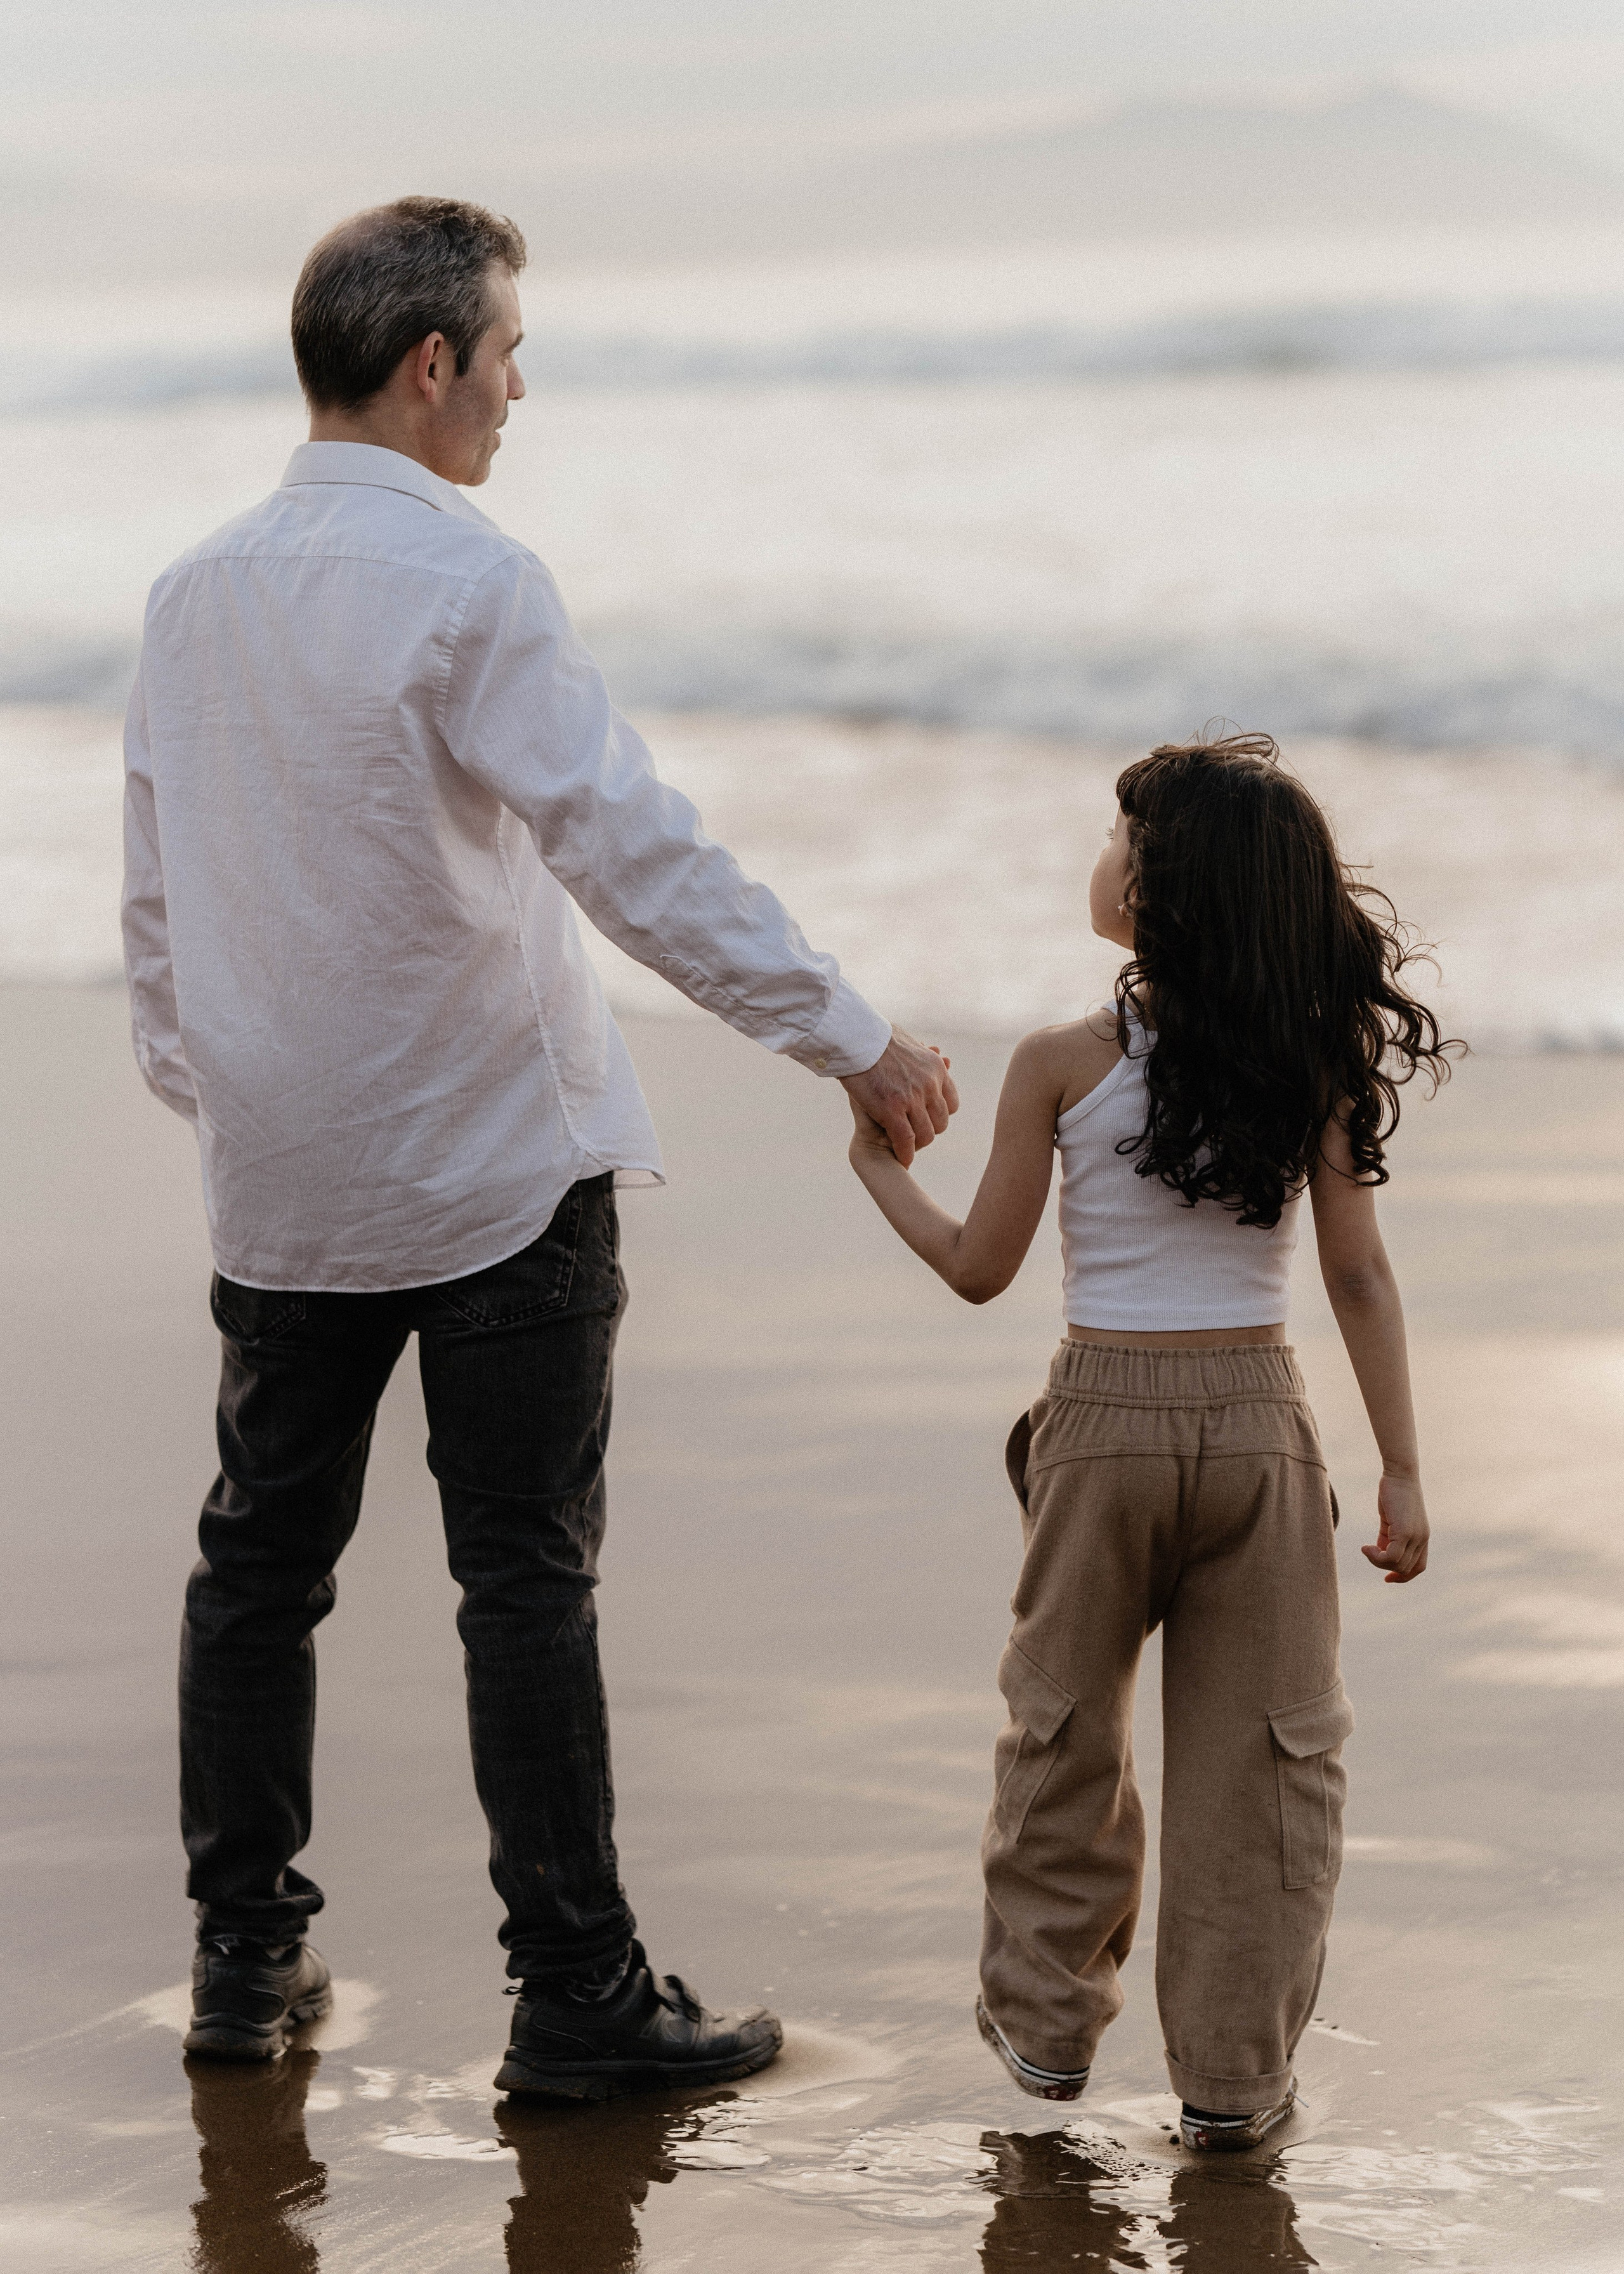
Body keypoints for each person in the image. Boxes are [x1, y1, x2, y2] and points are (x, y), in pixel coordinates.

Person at [122, 195, 957, 2095]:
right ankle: (575, 1993)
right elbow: (627, 844)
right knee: (522, 1580)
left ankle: (245, 1966)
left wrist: (241, 1103)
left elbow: (158, 908)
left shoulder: (189, 595)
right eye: (507, 357)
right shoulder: (469, 580)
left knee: (259, 1564)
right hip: (496, 1162)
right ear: (431, 365)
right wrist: (846, 1034)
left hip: (287, 1184)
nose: (516, 394)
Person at [846, 731, 1450, 2152]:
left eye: (1120, 837)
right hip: (1262, 1436)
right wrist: (1401, 1466)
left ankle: (1046, 2028)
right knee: (1267, 1765)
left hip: (1099, 1432)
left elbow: (979, 1269)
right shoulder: (1311, 1058)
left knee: (1061, 1725)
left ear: (1157, 890)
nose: (1102, 855)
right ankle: (1232, 2085)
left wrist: (877, 1168)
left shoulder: (1059, 1062)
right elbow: (1357, 1275)